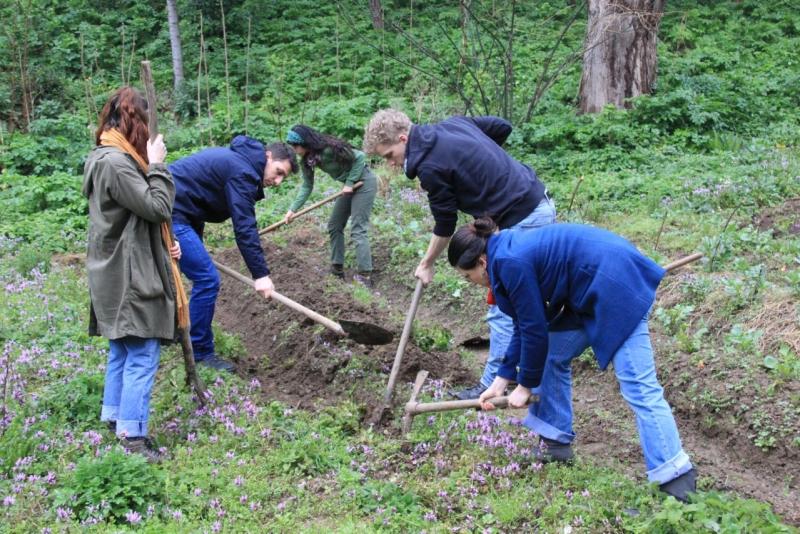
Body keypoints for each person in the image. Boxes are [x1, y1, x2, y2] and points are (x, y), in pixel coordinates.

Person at [447, 217, 697, 501]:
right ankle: (554, 441)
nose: (471, 283)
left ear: (481, 262)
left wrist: (525, 386)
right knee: (553, 353)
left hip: (615, 285)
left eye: (468, 277)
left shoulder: (508, 261)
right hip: (589, 288)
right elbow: (524, 323)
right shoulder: (503, 255)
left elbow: (534, 329)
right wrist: (501, 380)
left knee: (639, 386)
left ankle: (676, 482)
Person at [363, 109, 556, 399]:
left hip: (522, 218)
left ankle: (495, 383)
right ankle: (523, 373)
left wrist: (427, 263)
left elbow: (445, 224)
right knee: (522, 300)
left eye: (390, 154)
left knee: (505, 305)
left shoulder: (429, 165)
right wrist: (483, 165)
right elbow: (501, 127)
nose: (391, 163)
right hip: (536, 201)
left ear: (404, 138)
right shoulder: (455, 124)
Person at [83, 87, 181, 461]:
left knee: (122, 349)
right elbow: (156, 206)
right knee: (141, 350)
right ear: (134, 123)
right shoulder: (117, 163)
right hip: (127, 274)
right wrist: (157, 164)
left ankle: (115, 420)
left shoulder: (103, 156)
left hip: (116, 268)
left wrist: (166, 245)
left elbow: (134, 219)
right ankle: (132, 440)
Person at [168, 137, 297, 372]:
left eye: (282, 178)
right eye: (278, 172)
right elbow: (244, 227)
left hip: (179, 208)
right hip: (169, 211)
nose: (277, 181)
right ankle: (200, 353)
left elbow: (197, 197)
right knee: (207, 279)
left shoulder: (239, 162)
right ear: (268, 156)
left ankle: (177, 330)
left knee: (193, 271)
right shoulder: (243, 172)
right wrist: (261, 275)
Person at [284, 125, 378, 286]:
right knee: (334, 225)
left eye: (295, 145)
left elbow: (360, 157)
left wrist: (349, 183)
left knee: (358, 228)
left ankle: (365, 275)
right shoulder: (308, 161)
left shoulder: (328, 150)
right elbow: (307, 187)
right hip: (349, 188)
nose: (293, 149)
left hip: (364, 182)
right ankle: (337, 269)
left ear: (305, 143)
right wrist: (292, 209)